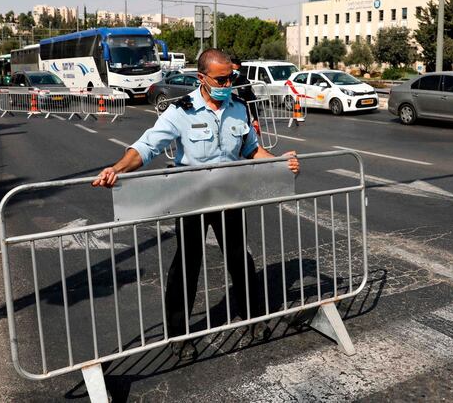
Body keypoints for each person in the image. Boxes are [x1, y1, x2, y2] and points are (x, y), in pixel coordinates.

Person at [92, 49, 299, 359]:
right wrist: (116, 169)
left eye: (231, 77)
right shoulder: (181, 111)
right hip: (190, 197)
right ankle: (178, 335)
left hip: (229, 194)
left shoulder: (239, 108)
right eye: (221, 79)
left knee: (240, 259)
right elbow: (146, 147)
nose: (228, 83)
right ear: (202, 78)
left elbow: (251, 150)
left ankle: (253, 317)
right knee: (186, 264)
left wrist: (281, 164)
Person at [231, 57, 260, 134]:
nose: (234, 73)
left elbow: (252, 100)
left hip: (242, 116)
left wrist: (255, 119)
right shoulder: (223, 82)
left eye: (236, 70)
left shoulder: (245, 82)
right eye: (232, 70)